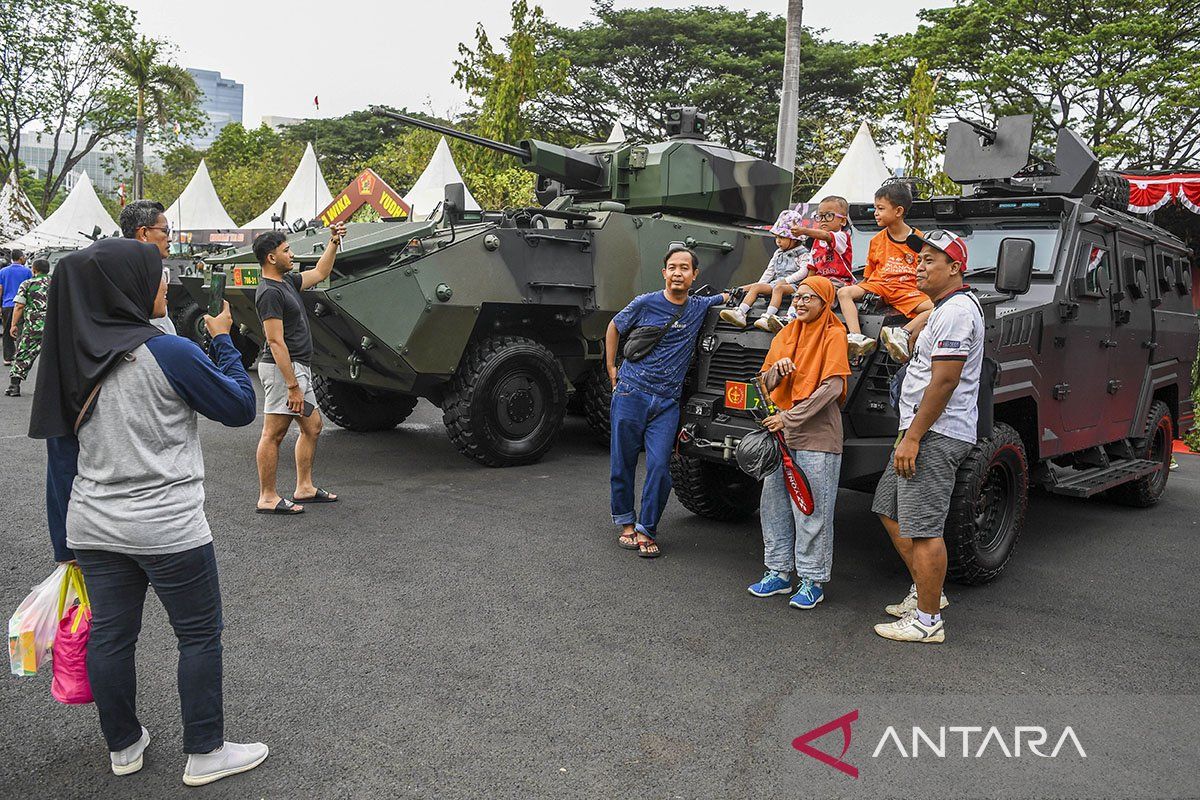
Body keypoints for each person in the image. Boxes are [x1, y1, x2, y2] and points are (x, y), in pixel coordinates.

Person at [28, 237, 268, 785]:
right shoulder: (169, 352)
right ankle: (205, 751)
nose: (164, 285)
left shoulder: (70, 361)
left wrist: (64, 549)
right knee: (199, 634)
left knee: (111, 636)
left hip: (93, 525)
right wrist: (225, 341)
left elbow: (60, 460)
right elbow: (238, 406)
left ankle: (124, 746)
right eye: (157, 275)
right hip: (170, 526)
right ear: (127, 288)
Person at [871, 230, 982, 644]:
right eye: (919, 259)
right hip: (920, 429)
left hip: (934, 432)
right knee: (889, 508)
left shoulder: (956, 312)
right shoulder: (942, 309)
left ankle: (927, 621)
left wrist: (914, 437)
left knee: (923, 527)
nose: (920, 265)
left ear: (955, 268)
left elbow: (946, 380)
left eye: (931, 260)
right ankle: (925, 591)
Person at [606, 245, 729, 557]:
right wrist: (611, 368)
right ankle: (625, 523)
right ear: (664, 272)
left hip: (666, 403)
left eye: (685, 268)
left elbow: (731, 297)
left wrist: (769, 286)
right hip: (631, 392)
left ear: (694, 275)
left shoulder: (699, 305)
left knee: (661, 467)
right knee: (623, 462)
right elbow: (614, 327)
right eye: (673, 267)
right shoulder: (645, 302)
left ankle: (647, 528)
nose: (678, 272)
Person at [747, 276, 851, 608]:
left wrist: (789, 418)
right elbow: (764, 384)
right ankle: (777, 573)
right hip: (782, 435)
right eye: (798, 297)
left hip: (818, 437)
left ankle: (812, 579)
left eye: (809, 298)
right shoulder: (784, 334)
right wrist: (777, 372)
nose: (801, 303)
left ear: (826, 302)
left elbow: (833, 388)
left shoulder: (835, 334)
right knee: (773, 505)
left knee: (812, 509)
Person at [253, 223, 347, 515]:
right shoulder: (269, 292)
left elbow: (320, 273)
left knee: (313, 426)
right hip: (285, 372)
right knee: (274, 433)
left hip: (298, 369)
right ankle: (267, 496)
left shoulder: (287, 283)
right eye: (286, 250)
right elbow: (274, 341)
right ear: (271, 257)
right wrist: (292, 385)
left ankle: (303, 488)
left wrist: (333, 242)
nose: (291, 255)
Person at [837, 183, 932, 359]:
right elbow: (868, 276)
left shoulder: (920, 239)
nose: (875, 213)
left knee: (937, 307)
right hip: (879, 286)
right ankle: (857, 337)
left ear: (898, 211)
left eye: (880, 208)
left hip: (907, 290)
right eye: (875, 208)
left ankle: (902, 333)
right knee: (844, 293)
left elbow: (926, 271)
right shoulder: (876, 241)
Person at [720, 209, 810, 332]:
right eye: (777, 237)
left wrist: (786, 280)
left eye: (782, 237)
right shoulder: (778, 253)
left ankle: (768, 317)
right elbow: (770, 270)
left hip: (794, 285)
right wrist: (761, 284)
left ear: (794, 238)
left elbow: (804, 271)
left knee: (778, 289)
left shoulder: (802, 253)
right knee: (756, 287)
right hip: (777, 282)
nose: (778, 241)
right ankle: (741, 313)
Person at [120, 199, 178, 335]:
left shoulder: (125, 268)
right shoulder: (137, 275)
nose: (169, 238)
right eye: (165, 231)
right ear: (144, 233)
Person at [6, 257, 51, 397]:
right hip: (54, 327)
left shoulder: (27, 284)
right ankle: (56, 390)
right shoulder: (57, 283)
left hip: (33, 327)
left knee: (24, 353)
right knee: (55, 356)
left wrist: (13, 325)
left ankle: (14, 387)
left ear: (34, 269)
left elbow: (19, 306)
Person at [790, 195, 855, 287]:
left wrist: (803, 230)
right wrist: (804, 286)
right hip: (819, 283)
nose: (823, 220)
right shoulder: (816, 242)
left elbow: (826, 236)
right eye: (820, 216)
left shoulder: (842, 236)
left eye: (829, 215)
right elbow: (812, 269)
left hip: (838, 282)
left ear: (843, 221)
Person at [1, 248, 32, 364]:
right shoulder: (27, 271)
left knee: (7, 331)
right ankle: (20, 357)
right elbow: (30, 289)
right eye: (23, 257)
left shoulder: (3, 271)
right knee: (21, 331)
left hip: (7, 304)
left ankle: (7, 358)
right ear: (20, 258)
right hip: (22, 304)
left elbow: (0, 289)